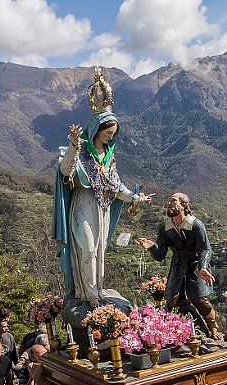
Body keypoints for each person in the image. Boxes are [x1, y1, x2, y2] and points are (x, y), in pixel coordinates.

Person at [54, 67, 151, 310]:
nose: (110, 137)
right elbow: (66, 171)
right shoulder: (81, 150)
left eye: (113, 134)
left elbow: (116, 186)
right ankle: (87, 294)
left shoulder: (109, 156)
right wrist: (75, 147)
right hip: (84, 205)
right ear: (97, 130)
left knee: (99, 250)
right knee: (87, 248)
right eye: (108, 132)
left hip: (102, 209)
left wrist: (135, 198)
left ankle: (97, 290)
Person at [135, 193, 221, 338]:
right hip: (177, 267)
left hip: (194, 266)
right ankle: (192, 329)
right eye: (169, 201)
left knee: (199, 299)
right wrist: (151, 247)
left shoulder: (196, 225)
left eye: (173, 201)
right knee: (172, 301)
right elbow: (160, 255)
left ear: (183, 205)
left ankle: (213, 327)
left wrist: (203, 267)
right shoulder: (165, 228)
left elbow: (205, 248)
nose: (169, 203)